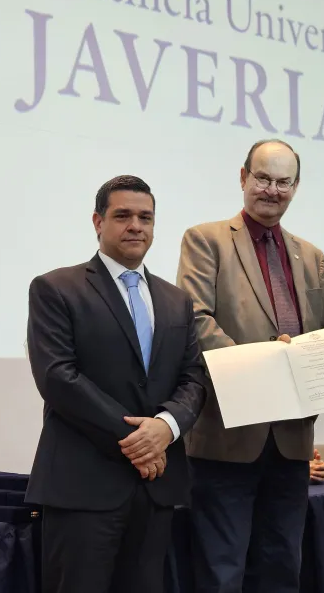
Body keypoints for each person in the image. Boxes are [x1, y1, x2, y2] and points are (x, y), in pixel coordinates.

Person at [25, 175, 208, 593]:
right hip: (83, 487)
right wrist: (139, 441)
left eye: (145, 217)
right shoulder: (56, 288)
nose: (135, 226)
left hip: (155, 490)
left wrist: (166, 427)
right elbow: (58, 377)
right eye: (122, 215)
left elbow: (194, 376)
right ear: (98, 221)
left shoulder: (175, 299)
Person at [176, 139, 324, 593]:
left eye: (284, 181)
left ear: (296, 187)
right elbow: (195, 318)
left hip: (291, 438)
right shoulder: (205, 240)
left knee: (282, 567)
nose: (272, 190)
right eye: (263, 178)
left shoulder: (313, 256)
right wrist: (264, 367)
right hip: (227, 434)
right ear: (243, 177)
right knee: (221, 571)